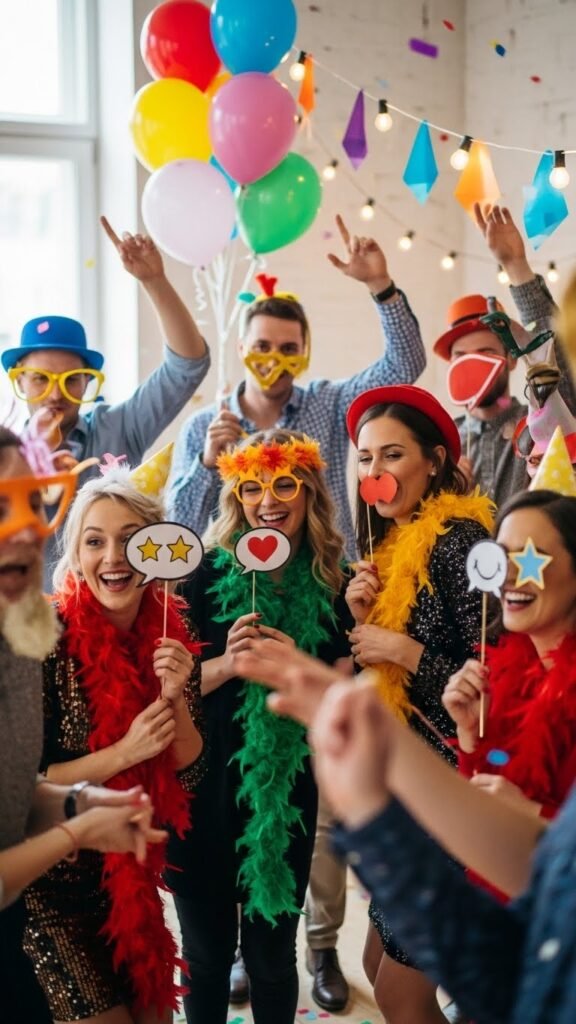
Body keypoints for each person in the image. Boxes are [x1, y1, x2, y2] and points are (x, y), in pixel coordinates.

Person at [166, 429, 353, 1024]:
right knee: (206, 956)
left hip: (286, 794)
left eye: (284, 485)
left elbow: (343, 701)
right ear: (236, 497)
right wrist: (229, 664)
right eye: (251, 488)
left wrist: (299, 667)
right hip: (202, 788)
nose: (267, 501)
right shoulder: (201, 575)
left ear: (309, 492)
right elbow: (167, 689)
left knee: (272, 961)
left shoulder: (334, 584)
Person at [331, 384, 493, 1021]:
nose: (375, 472)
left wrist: (401, 649)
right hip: (409, 783)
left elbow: (496, 688)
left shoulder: (459, 543)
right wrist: (365, 622)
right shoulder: (391, 546)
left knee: (399, 992)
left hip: (453, 792)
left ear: (433, 461)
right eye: (366, 458)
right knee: (377, 966)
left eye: (392, 455)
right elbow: (385, 687)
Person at [0, 427, 171, 1024]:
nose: (27, 528)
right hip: (40, 902)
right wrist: (80, 825)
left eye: (36, 502)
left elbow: (15, 795)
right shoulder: (46, 642)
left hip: (115, 892)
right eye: (3, 506)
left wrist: (82, 803)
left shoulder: (19, 637)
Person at [22, 470, 205, 1024]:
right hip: (49, 893)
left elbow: (188, 775)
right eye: (95, 541)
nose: (113, 557)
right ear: (76, 556)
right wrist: (125, 753)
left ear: (159, 548)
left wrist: (175, 696)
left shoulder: (172, 637)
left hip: (131, 889)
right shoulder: (43, 642)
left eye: (130, 539)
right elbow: (24, 787)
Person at [167, 215, 426, 562]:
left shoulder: (329, 403)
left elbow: (405, 365)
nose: (274, 359)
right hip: (241, 583)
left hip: (328, 576)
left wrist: (380, 285)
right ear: (242, 349)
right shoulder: (203, 428)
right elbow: (177, 531)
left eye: (288, 348)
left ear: (304, 353)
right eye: (262, 346)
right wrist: (206, 463)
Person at [2, 216, 211, 589]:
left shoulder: (117, 426)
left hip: (113, 609)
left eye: (70, 380)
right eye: (40, 379)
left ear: (88, 382)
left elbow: (188, 366)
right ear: (18, 381)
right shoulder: (6, 456)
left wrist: (154, 281)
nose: (55, 394)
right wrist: (31, 462)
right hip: (29, 612)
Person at [442, 489, 576, 881]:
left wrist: (533, 816)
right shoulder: (510, 676)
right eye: (502, 558)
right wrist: (471, 735)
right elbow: (483, 819)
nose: (509, 575)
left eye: (530, 556)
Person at [433, 204, 576, 507]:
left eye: (485, 353)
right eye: (461, 356)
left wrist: (515, 266)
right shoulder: (440, 444)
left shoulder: (539, 425)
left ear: (511, 358)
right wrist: (443, 496)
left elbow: (552, 356)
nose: (473, 366)